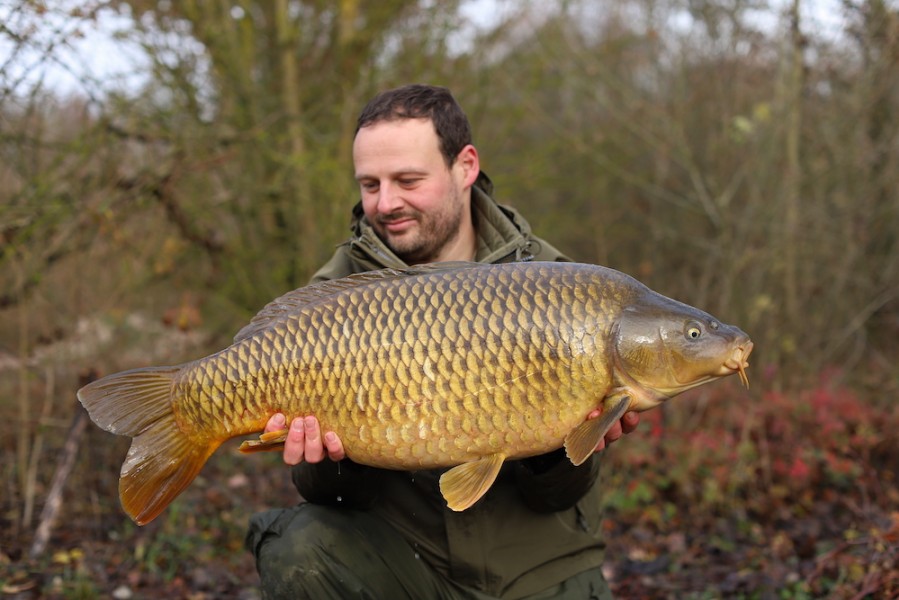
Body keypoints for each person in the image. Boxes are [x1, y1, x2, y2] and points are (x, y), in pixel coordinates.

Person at [245, 84, 640, 599]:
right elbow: (330, 499)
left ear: (465, 166)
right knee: (298, 551)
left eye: (408, 180)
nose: (386, 204)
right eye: (370, 184)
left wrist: (556, 443)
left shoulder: (559, 286)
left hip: (539, 567)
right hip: (402, 560)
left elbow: (559, 497)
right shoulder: (332, 298)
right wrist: (328, 462)